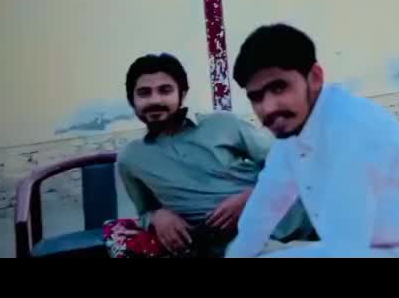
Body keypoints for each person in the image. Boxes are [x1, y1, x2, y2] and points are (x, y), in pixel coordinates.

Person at [225, 24, 399, 259]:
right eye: (256, 97)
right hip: (366, 246)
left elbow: (346, 249)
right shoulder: (294, 128)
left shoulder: (350, 130)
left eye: (279, 88)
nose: (268, 108)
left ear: (315, 78)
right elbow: (265, 206)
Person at [108, 52, 311, 258]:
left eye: (165, 90)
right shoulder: (131, 158)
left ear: (182, 94)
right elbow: (144, 211)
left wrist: (250, 197)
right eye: (144, 93)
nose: (155, 100)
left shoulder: (222, 124)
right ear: (132, 101)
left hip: (299, 215)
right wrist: (157, 216)